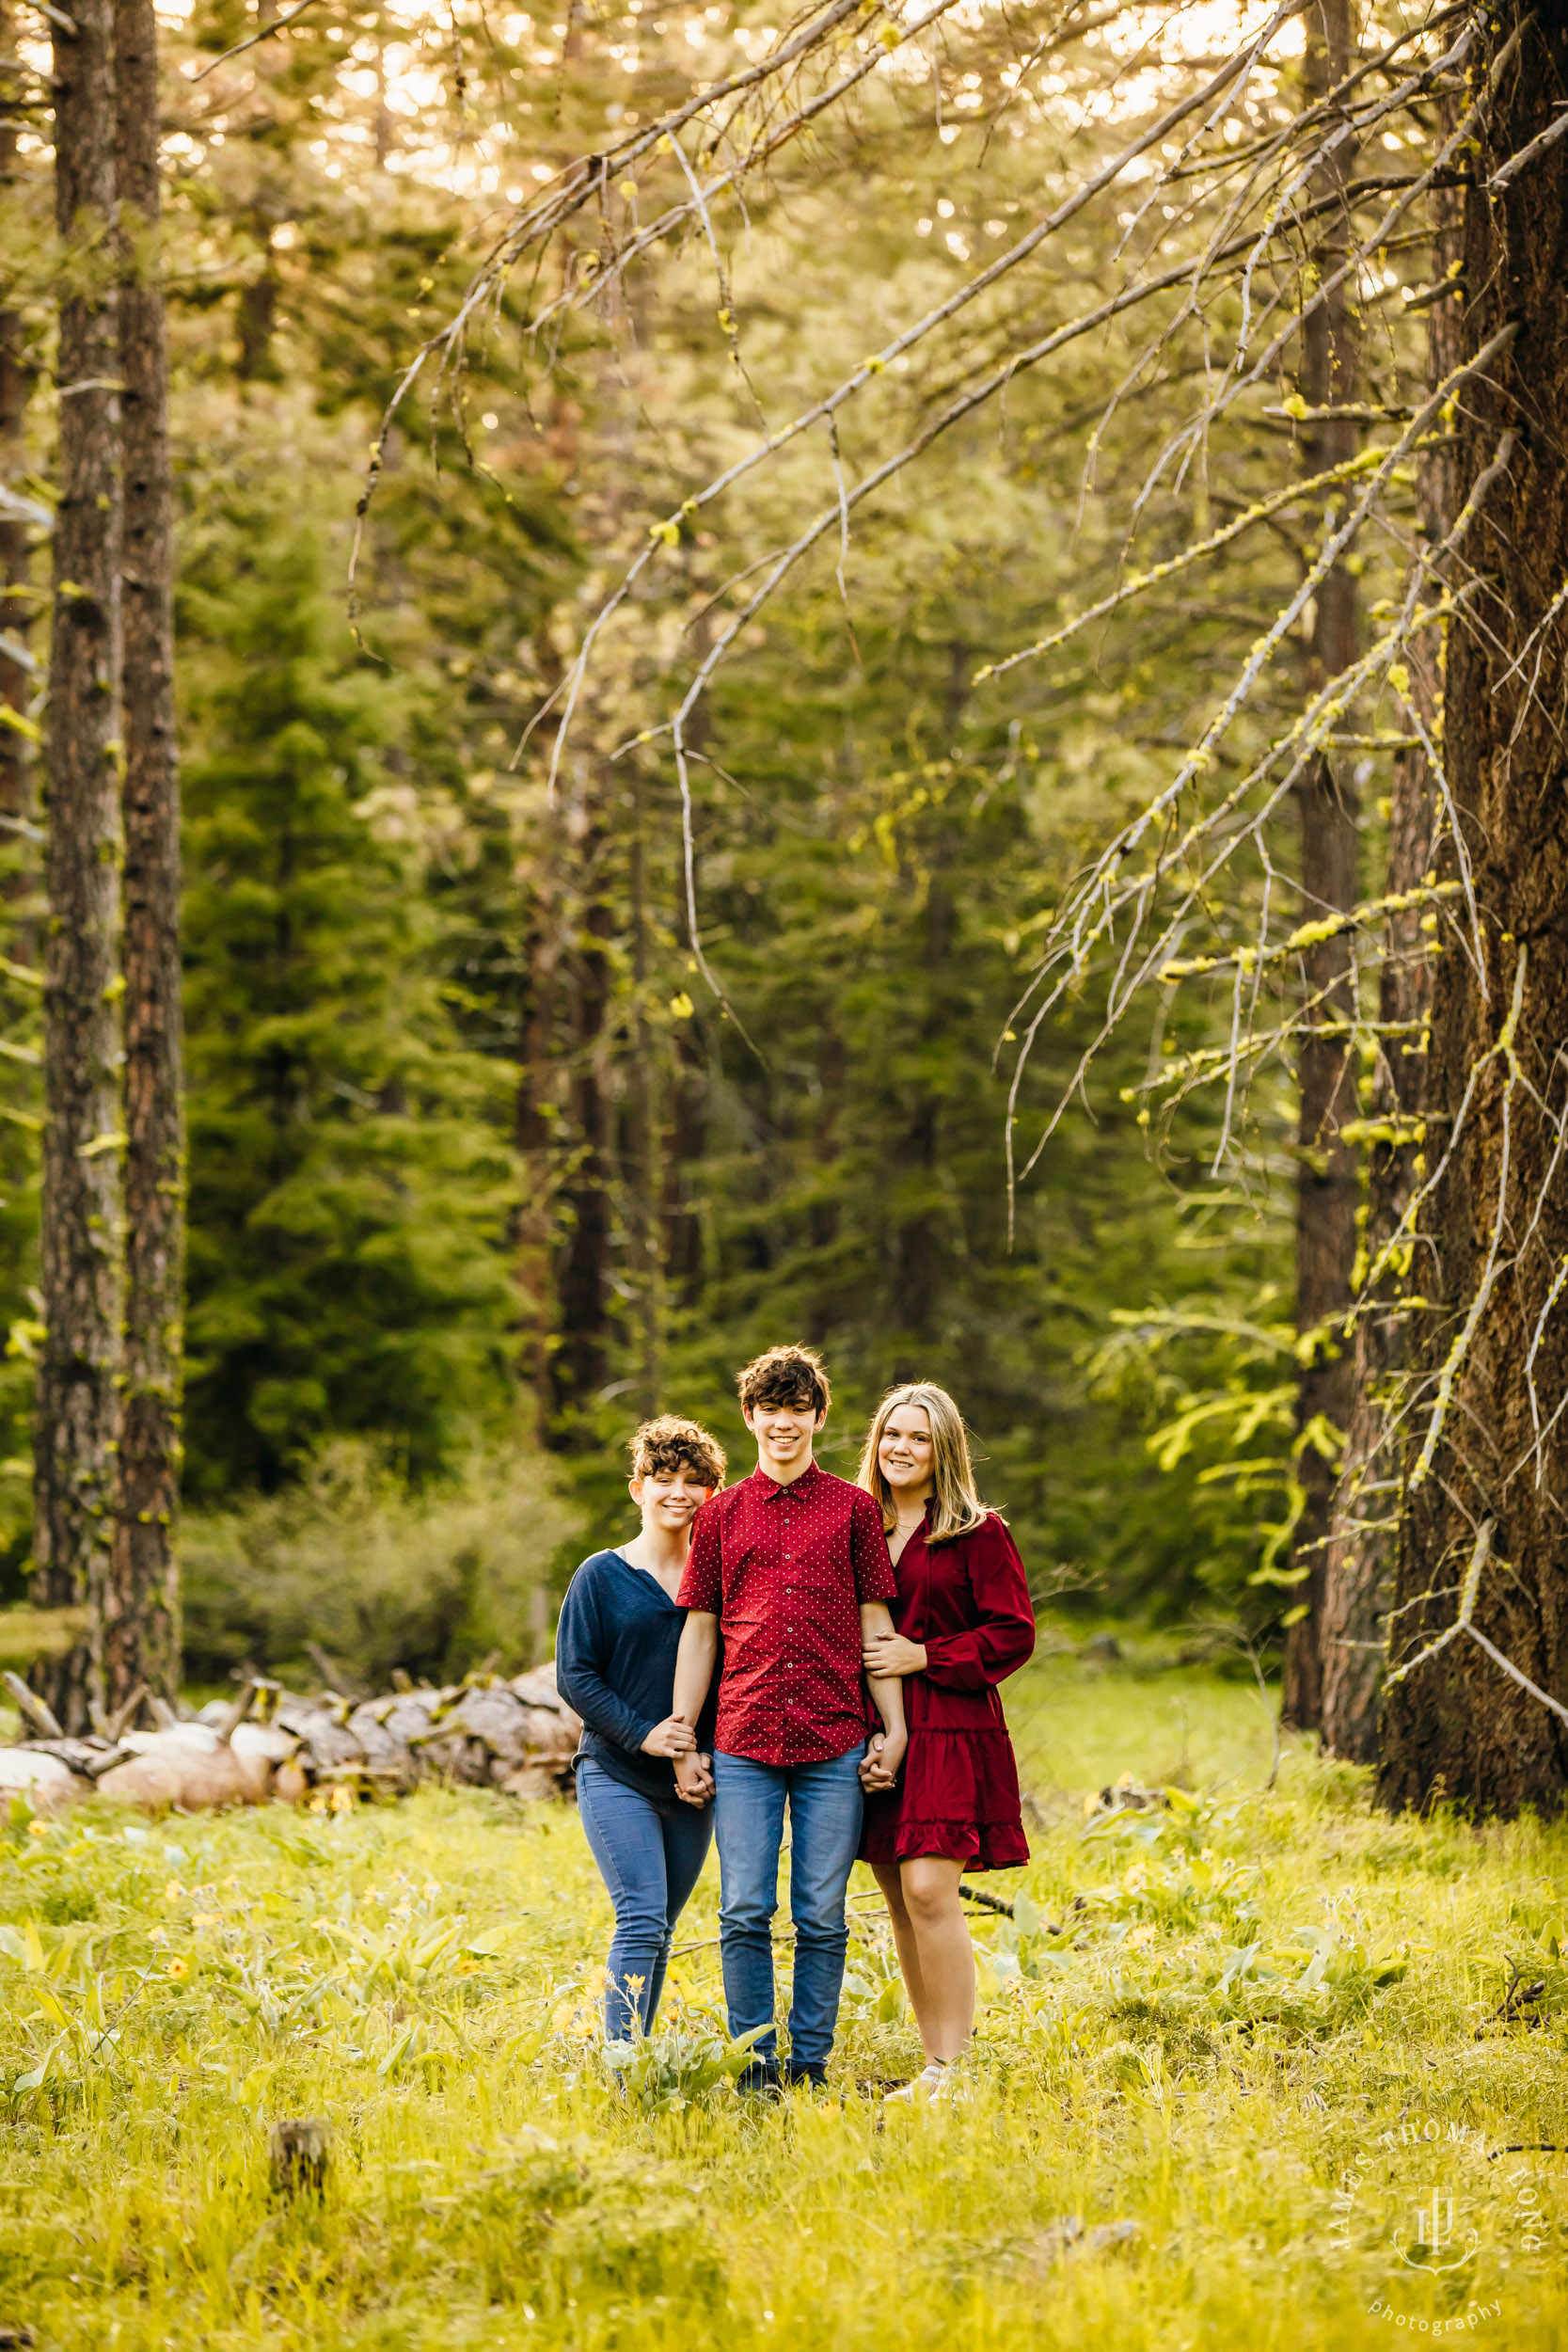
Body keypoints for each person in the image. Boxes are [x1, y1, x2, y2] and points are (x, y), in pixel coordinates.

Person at [671, 1344, 907, 2092]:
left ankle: (808, 2065)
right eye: (770, 1410)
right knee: (744, 1908)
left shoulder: (854, 1510)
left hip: (834, 1740)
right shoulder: (720, 1517)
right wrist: (683, 1738)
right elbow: (701, 1631)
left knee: (821, 1913)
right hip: (740, 1740)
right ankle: (753, 2067)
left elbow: (876, 1624)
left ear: (818, 1418)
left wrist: (891, 1730)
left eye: (796, 1411)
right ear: (750, 1417)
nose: (783, 1424)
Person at [856, 1382, 1035, 2103]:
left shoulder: (975, 1530)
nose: (901, 1447)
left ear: (944, 1450)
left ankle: (952, 2071)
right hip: (873, 1730)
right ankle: (931, 2064)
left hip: (951, 1723)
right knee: (900, 1898)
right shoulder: (856, 1524)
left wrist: (923, 1656)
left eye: (918, 1437)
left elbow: (1012, 1632)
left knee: (931, 1887)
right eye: (891, 1434)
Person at [555, 1414, 726, 2042]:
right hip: (616, 1772)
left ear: (712, 1493)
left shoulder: (719, 1582)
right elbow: (575, 1676)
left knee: (660, 1929)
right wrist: (643, 1734)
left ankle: (640, 2051)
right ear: (637, 1489)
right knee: (641, 1919)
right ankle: (623, 2066)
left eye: (693, 1481)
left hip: (692, 1784)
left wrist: (699, 1756)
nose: (677, 1491)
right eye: (662, 1478)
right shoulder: (600, 1576)